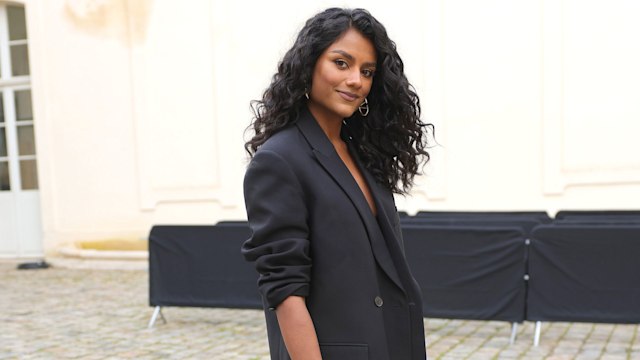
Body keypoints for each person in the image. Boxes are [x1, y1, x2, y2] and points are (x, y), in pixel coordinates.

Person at [242, 7, 433, 360]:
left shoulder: (364, 154)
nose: (356, 80)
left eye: (367, 71)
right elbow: (285, 291)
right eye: (341, 63)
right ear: (309, 65)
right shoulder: (279, 160)